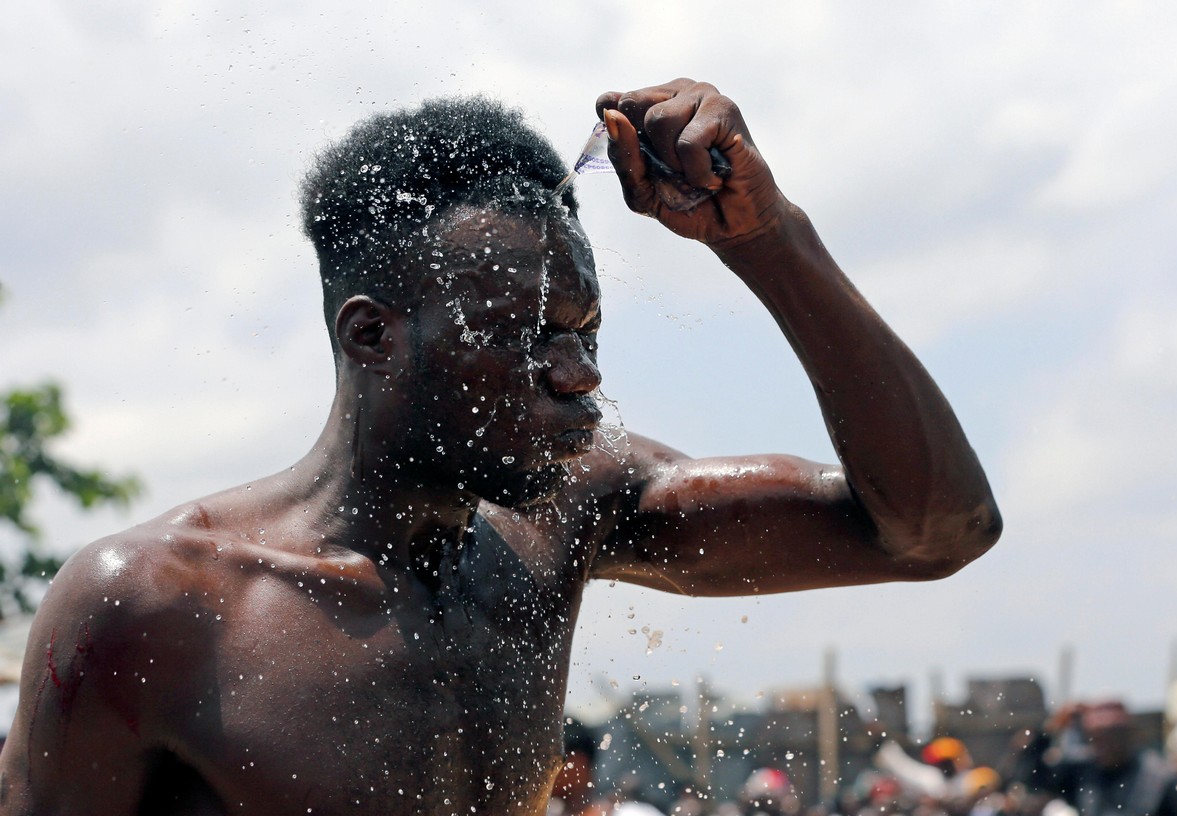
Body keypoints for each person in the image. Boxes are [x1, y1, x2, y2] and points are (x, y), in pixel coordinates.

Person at [0, 78, 1001, 814]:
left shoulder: (567, 510)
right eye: (526, 333)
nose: (579, 375)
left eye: (584, 330)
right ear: (372, 337)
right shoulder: (155, 609)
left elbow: (932, 531)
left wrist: (766, 237)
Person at [1014, 700, 1177, 816]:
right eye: (1096, 739)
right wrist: (1049, 728)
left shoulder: (1159, 777)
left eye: (1110, 738)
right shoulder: (1084, 771)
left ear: (1129, 737)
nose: (1102, 747)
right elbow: (1034, 782)